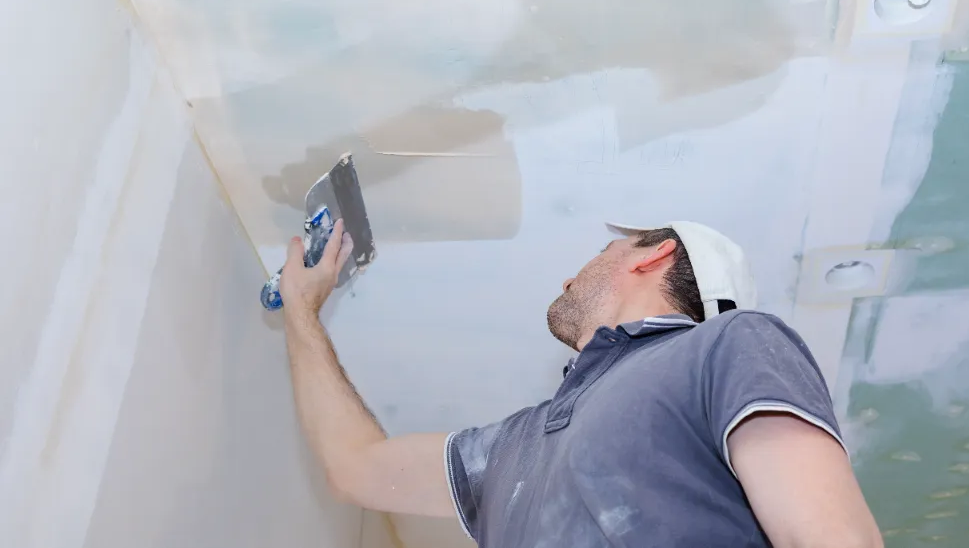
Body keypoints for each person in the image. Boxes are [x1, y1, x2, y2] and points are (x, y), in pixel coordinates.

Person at [280, 218, 883, 548]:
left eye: (603, 249)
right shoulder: (516, 445)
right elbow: (356, 467)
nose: (570, 276)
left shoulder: (731, 345)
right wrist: (301, 313)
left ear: (652, 256)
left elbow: (829, 538)